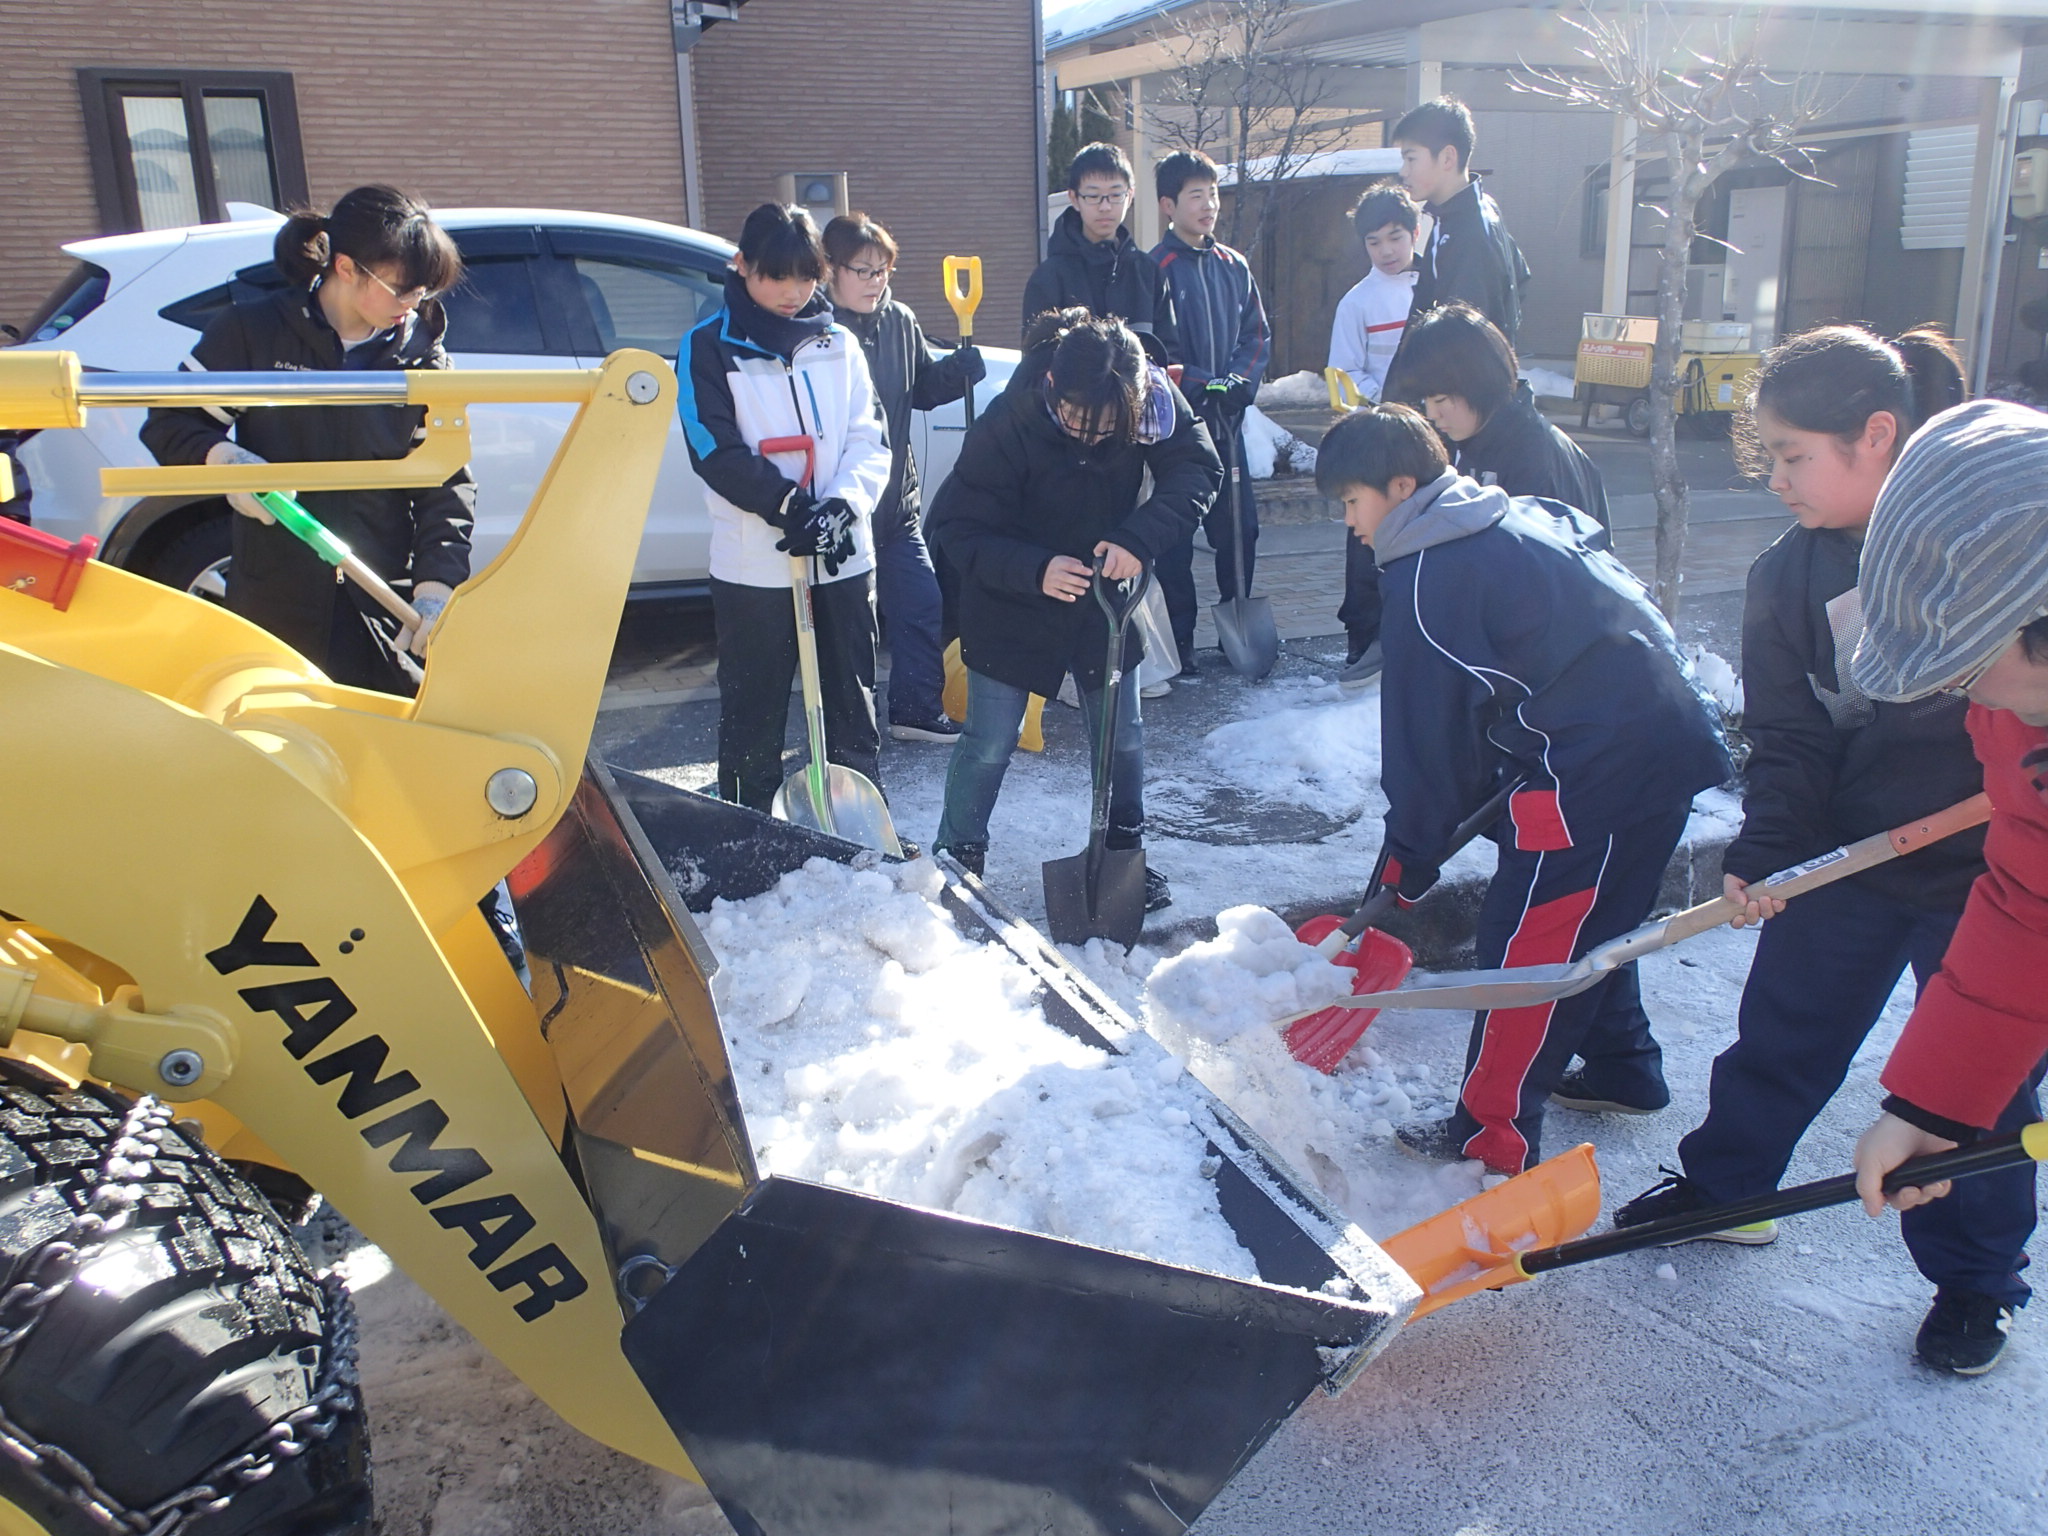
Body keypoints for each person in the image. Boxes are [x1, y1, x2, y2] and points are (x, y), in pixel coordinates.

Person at [1611, 326, 2029, 1376]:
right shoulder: (1792, 580)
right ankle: (1728, 1184)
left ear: (1875, 436)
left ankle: (1975, 1278)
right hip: (1860, 858)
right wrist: (1769, 849)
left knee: (1991, 1096)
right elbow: (1791, 736)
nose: (1778, 478)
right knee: (1786, 1026)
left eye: (1793, 455)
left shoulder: (1988, 558)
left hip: (1975, 871)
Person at [1315, 403, 1729, 1176]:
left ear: (1400, 486)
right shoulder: (1516, 513)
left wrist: (1408, 857)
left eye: (1352, 503)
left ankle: (1490, 1133)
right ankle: (1623, 1069)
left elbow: (1427, 746)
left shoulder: (1428, 574)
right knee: (1595, 921)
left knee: (1528, 951)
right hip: (1666, 740)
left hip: (1589, 771)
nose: (1350, 524)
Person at [1830, 399, 2048, 1367]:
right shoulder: (2015, 716)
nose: (1956, 693)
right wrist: (1932, 1107)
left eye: (1965, 664)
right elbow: (2028, 908)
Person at [926, 310, 1219, 906]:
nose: (1090, 438)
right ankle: (958, 857)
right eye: (1077, 423)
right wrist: (1035, 569)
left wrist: (1140, 539)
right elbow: (954, 528)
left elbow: (1197, 469)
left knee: (1122, 738)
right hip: (1010, 598)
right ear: (1054, 389)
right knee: (990, 738)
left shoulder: (1151, 403)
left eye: (1107, 429)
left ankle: (1122, 857)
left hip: (1106, 600)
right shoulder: (1009, 421)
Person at [141, 184, 472, 694]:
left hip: (379, 595)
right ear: (345, 267)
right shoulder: (254, 331)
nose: (412, 305)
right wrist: (226, 460)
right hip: (274, 596)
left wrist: (435, 588)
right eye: (402, 288)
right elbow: (170, 422)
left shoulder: (424, 358)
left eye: (423, 292)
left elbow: (445, 483)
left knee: (375, 749)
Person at [677, 203, 890, 813]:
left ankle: (857, 824)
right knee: (754, 705)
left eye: (805, 276)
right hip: (754, 564)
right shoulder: (706, 348)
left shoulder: (839, 344)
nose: (793, 292)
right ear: (741, 266)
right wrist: (788, 504)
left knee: (851, 699)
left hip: (842, 557)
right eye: (776, 276)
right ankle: (749, 826)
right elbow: (713, 447)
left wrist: (841, 508)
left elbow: (867, 437)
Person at [820, 212, 984, 747]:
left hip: (896, 504)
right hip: (843, 507)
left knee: (922, 602)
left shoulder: (899, 322)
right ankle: (848, 727)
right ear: (831, 271)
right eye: (862, 271)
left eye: (883, 271)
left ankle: (915, 710)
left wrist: (957, 374)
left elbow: (922, 389)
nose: (874, 282)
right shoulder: (818, 333)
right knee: (851, 628)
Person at [1150, 149, 1271, 673]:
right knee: (1176, 536)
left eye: (1213, 194)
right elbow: (1156, 348)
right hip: (1177, 428)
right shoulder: (1156, 268)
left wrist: (1237, 384)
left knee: (1239, 529)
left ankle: (1234, 627)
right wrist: (1201, 385)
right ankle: (1181, 639)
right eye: (1196, 196)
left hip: (1230, 421)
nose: (1209, 206)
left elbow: (1256, 335)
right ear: (1168, 205)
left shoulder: (1233, 266)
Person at [1394, 302, 1609, 527]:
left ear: (1478, 381)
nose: (1432, 413)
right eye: (1424, 401)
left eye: (1440, 400)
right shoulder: (1476, 436)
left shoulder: (1533, 458)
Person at [1329, 181, 1423, 691]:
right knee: (1364, 545)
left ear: (1415, 231)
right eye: (1374, 242)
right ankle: (1362, 641)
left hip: (1431, 442)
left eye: (1395, 237)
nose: (1386, 251)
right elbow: (1342, 376)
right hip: (1376, 444)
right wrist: (1388, 402)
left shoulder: (1431, 286)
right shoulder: (1357, 303)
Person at [1388, 97, 1529, 349]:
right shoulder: (1463, 213)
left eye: (1411, 159)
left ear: (1447, 158)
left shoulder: (1471, 231)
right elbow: (1521, 280)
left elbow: (1462, 344)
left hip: (1455, 384)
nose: (1403, 171)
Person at [1023, 142, 1180, 365]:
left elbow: (1168, 357)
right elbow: (1035, 368)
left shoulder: (1148, 272)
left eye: (1115, 195)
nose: (1105, 207)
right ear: (1074, 198)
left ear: (1130, 195)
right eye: (1093, 196)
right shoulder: (1049, 278)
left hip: (1140, 398)